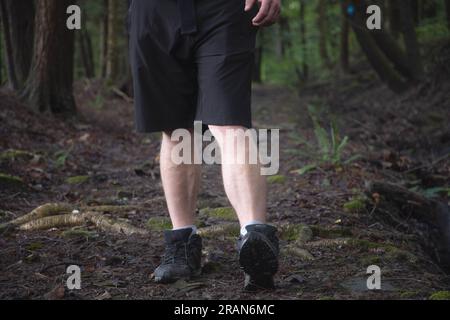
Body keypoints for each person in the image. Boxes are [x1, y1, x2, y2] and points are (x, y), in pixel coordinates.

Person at [128, 0, 281, 291]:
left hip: (225, 9)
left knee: (228, 122)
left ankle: (256, 239)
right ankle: (184, 243)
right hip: (154, 11)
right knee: (177, 129)